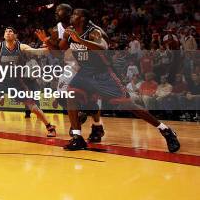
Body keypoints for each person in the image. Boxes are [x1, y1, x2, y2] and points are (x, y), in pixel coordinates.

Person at [58, 8, 179, 153]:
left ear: (83, 18)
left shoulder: (94, 31)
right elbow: (61, 48)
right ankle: (78, 138)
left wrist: (80, 40)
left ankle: (166, 131)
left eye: (75, 14)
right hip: (85, 72)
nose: (72, 16)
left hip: (103, 74)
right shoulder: (70, 31)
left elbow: (103, 47)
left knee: (129, 105)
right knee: (71, 95)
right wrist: (58, 39)